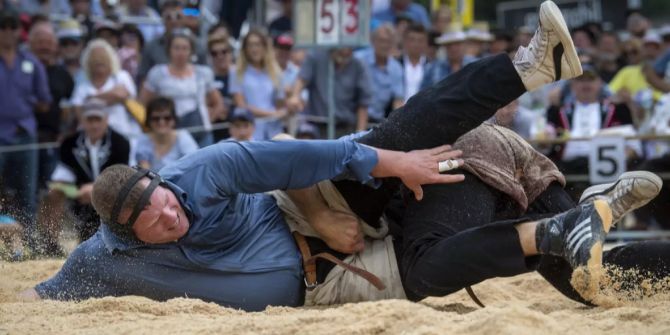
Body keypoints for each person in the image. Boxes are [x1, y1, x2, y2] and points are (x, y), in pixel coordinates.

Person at [23, 0, 668, 311]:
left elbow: (298, 154)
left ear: (160, 179)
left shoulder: (199, 172)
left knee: (393, 149)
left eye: (160, 197)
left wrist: (394, 166)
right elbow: (48, 293)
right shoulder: (107, 259)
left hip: (369, 192)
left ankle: (528, 69)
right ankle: (573, 220)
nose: (166, 213)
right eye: (151, 219)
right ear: (124, 237)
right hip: (354, 253)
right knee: (581, 269)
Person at [36, 99, 130, 256]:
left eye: (98, 119)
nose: (94, 125)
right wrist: (64, 188)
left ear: (106, 120)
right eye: (90, 120)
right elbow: (63, 175)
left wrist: (96, 188)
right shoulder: (69, 143)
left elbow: (122, 177)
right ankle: (50, 245)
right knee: (53, 193)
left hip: (113, 196)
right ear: (82, 121)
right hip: (80, 197)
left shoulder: (120, 143)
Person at [0, 9, 51, 249]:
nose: (8, 32)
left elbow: (44, 102)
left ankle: (28, 243)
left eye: (12, 27)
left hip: (24, 134)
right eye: (4, 27)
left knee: (27, 194)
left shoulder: (31, 63)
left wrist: (26, 102)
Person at [140, 30, 225, 147]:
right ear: (169, 50)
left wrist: (207, 119)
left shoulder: (203, 73)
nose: (180, 52)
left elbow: (218, 103)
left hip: (200, 132)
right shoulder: (157, 73)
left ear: (191, 51)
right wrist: (158, 124)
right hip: (169, 133)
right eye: (176, 48)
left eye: (185, 48)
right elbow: (144, 103)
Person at [28, 21, 75, 189]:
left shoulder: (63, 75)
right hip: (22, 139)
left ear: (56, 46)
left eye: (48, 43)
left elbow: (70, 108)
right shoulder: (20, 69)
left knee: (50, 189)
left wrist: (66, 132)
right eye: (40, 42)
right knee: (21, 188)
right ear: (30, 43)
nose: (44, 47)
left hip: (53, 141)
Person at [70, 39, 143, 147]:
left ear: (110, 59)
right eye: (94, 57)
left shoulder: (121, 76)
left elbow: (122, 94)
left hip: (122, 134)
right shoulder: (82, 83)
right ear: (88, 61)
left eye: (102, 56)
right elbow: (78, 110)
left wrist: (91, 99)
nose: (99, 60)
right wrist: (112, 97)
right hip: (93, 140)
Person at [287, 48, 372, 137]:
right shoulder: (316, 57)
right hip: (318, 127)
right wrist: (295, 96)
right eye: (341, 51)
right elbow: (301, 80)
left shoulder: (358, 65)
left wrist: (360, 134)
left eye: (349, 51)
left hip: (346, 128)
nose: (345, 53)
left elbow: (363, 102)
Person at [230, 29, 287, 141]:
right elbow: (241, 106)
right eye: (250, 45)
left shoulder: (276, 72)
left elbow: (280, 103)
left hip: (274, 130)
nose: (254, 49)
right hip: (249, 131)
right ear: (245, 49)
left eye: (258, 44)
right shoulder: (236, 72)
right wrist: (272, 114)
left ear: (265, 47)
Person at [355, 24, 404, 123]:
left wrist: (398, 123)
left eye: (389, 42)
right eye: (381, 41)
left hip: (377, 122)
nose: (385, 45)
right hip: (353, 118)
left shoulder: (396, 68)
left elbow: (398, 100)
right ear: (373, 41)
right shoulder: (358, 59)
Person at [135, 97, 199, 171]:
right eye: (156, 118)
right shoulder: (144, 139)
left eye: (167, 118)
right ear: (148, 120)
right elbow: (144, 171)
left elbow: (192, 166)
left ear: (174, 119)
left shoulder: (183, 137)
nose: (161, 122)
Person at [208, 36, 235, 142]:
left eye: (224, 52)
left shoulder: (240, 75)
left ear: (231, 53)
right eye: (214, 53)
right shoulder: (206, 78)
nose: (220, 56)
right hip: (214, 130)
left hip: (239, 128)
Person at [398, 23, 428, 102]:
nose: (416, 44)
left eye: (420, 40)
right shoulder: (396, 64)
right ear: (405, 41)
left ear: (425, 43)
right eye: (412, 40)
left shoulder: (432, 66)